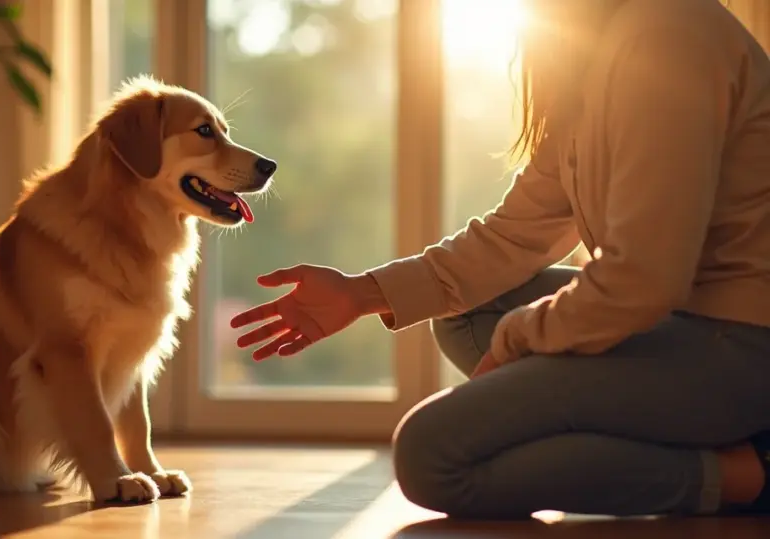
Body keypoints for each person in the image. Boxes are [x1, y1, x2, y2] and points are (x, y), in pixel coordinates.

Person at [229, 0, 770, 519]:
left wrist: (517, 339)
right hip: (672, 325)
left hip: (739, 346)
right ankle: (646, 440)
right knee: (466, 315)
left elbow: (644, 280)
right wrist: (360, 292)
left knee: (430, 455)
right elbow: (511, 237)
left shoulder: (668, 34)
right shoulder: (599, 56)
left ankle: (749, 474)